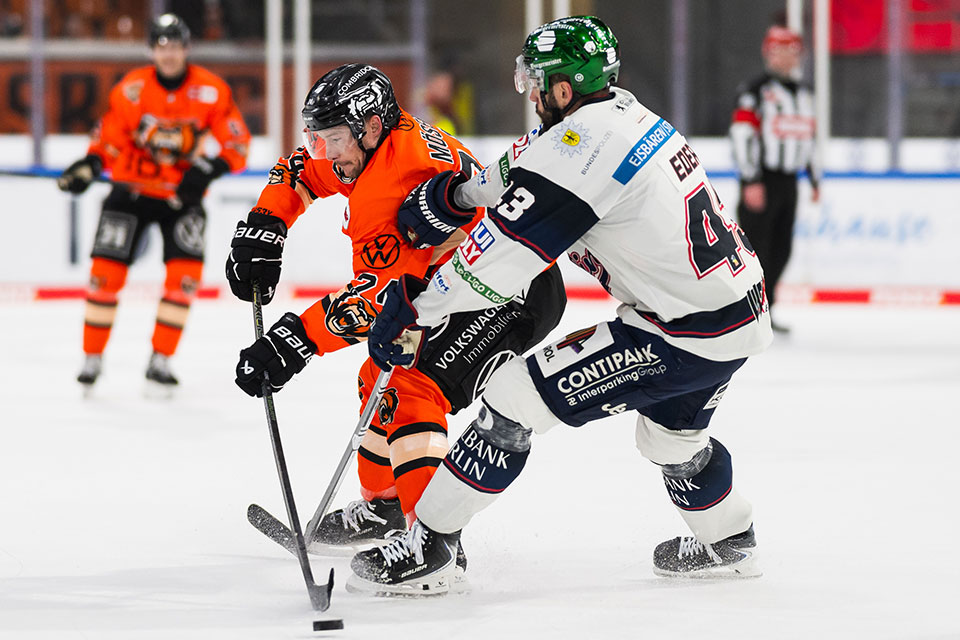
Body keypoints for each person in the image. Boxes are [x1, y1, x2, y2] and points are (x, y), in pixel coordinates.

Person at [356, 15, 773, 596]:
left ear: (563, 89)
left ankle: (430, 546)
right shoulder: (620, 115)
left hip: (680, 331)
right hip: (734, 315)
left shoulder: (581, 149)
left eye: (538, 81)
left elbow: (495, 262)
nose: (530, 92)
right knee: (671, 438)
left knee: (509, 402)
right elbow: (519, 168)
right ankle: (729, 540)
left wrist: (416, 306)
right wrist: (456, 194)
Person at [225, 64, 564, 560]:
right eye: (319, 137)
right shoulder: (366, 145)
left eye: (333, 139)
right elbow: (300, 169)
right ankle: (386, 506)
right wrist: (266, 224)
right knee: (378, 373)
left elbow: (387, 298)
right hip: (465, 281)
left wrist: (293, 341)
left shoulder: (400, 176)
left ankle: (433, 544)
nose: (327, 152)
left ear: (371, 127)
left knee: (409, 384)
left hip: (510, 290)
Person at [59, 13, 250, 392]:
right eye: (162, 46)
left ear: (186, 49)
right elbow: (110, 138)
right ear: (151, 50)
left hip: (182, 196)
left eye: (176, 45)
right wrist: (90, 164)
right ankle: (92, 358)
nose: (169, 54)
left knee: (184, 281)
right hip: (130, 192)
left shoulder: (211, 91)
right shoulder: (131, 89)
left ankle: (160, 360)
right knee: (104, 276)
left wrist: (209, 169)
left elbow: (237, 143)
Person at [730, 25, 820, 333]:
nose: (785, 58)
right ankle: (743, 314)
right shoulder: (755, 91)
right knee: (756, 249)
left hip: (789, 180)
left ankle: (765, 311)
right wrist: (750, 179)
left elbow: (809, 137)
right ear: (767, 53)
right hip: (761, 179)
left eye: (791, 51)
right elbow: (742, 135)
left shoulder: (806, 94)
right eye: (778, 50)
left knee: (782, 248)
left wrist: (814, 177)